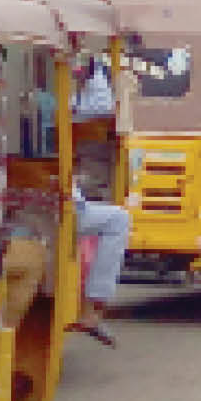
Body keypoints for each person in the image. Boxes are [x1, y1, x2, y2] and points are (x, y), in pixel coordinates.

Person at [68, 53, 130, 347]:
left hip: (68, 191)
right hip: (65, 203)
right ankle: (94, 304)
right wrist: (93, 76)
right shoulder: (60, 100)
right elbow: (102, 106)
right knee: (118, 219)